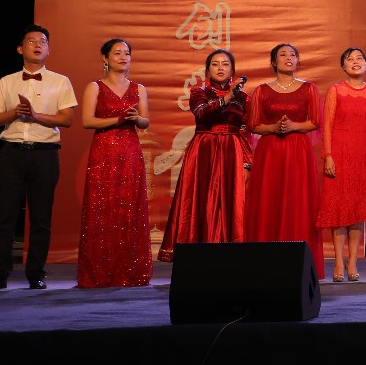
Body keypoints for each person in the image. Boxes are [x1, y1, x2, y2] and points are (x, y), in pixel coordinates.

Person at [0, 25, 77, 290]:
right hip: (12, 152)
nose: (38, 45)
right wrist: (14, 113)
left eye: (43, 41)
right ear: (20, 49)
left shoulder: (60, 81)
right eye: (32, 41)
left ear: (48, 49)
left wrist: (35, 116)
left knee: (41, 217)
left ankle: (36, 274)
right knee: (5, 216)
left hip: (44, 154)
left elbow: (67, 119)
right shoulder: (7, 81)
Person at [159, 48, 254, 261]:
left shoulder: (244, 98)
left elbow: (245, 131)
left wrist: (247, 162)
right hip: (204, 150)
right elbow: (201, 113)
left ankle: (229, 257)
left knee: (231, 203)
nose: (220, 68)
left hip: (231, 152)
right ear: (207, 69)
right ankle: (197, 256)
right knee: (199, 201)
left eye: (225, 64)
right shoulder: (198, 92)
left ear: (232, 71)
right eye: (215, 64)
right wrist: (227, 98)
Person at [76, 38, 152, 287]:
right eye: (117, 53)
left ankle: (129, 271)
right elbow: (87, 121)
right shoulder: (95, 87)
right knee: (102, 209)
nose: (123, 57)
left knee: (129, 210)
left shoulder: (139, 88)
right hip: (103, 154)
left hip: (130, 153)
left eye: (127, 53)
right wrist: (116, 120)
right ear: (105, 58)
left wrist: (136, 118)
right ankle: (100, 271)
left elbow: (145, 122)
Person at [245, 43, 324, 280]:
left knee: (297, 201)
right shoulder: (261, 90)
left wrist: (293, 126)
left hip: (298, 150)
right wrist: (273, 128)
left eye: (293, 54)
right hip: (270, 151)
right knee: (268, 200)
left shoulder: (309, 88)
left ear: (298, 61)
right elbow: (253, 125)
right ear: (273, 62)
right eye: (282, 54)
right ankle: (265, 262)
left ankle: (299, 262)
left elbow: (316, 121)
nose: (288, 58)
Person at [318, 47, 366, 283]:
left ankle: (353, 262)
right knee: (339, 210)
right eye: (350, 59)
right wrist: (328, 155)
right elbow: (327, 125)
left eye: (359, 58)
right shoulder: (336, 90)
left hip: (363, 154)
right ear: (343, 66)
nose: (355, 62)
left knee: (357, 211)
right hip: (339, 153)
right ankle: (338, 261)